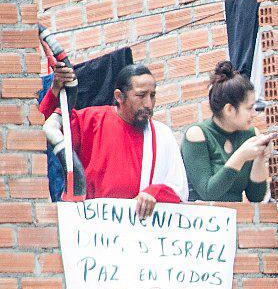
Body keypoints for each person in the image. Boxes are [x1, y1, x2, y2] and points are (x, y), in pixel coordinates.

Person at [42, 62, 188, 218]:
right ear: (119, 96)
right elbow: (44, 127)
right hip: (94, 226)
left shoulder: (162, 134)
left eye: (152, 95)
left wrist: (154, 194)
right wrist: (55, 90)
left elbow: (178, 188)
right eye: (141, 95)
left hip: (143, 231)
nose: (148, 104)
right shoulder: (90, 121)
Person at [180, 61, 275, 202]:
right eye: (249, 108)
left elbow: (256, 197)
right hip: (201, 219)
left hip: (236, 219)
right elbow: (208, 192)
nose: (254, 114)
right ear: (229, 109)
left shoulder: (250, 134)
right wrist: (241, 155)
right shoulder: (198, 134)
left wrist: (260, 158)